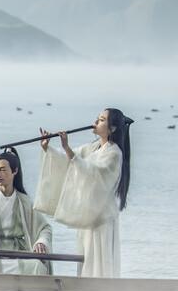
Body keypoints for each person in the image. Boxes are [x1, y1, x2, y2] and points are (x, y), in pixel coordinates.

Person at [34, 108, 133, 278]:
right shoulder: (94, 147)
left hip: (101, 219)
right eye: (97, 118)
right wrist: (48, 148)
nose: (96, 122)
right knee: (87, 263)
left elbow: (94, 174)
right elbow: (69, 161)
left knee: (99, 265)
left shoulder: (114, 153)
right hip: (89, 217)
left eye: (101, 120)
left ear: (112, 129)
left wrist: (67, 148)